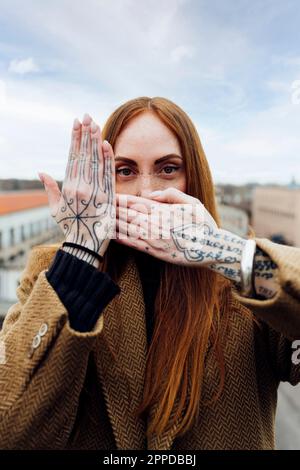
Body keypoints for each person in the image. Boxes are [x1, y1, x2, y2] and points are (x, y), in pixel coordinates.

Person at [0, 97, 299, 450]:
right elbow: (12, 432)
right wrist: (80, 256)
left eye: (168, 169)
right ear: (104, 181)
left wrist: (223, 252)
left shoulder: (244, 282)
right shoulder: (54, 274)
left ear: (195, 178)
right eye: (124, 171)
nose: (147, 192)